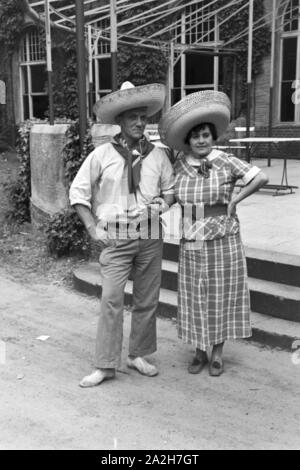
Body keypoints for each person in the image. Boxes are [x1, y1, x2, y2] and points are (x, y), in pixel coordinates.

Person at [70, 82, 175, 387]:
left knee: (147, 299)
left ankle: (138, 354)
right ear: (119, 121)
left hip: (150, 236)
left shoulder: (158, 156)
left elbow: (170, 192)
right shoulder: (101, 155)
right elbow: (78, 193)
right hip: (115, 238)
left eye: (143, 117)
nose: (140, 123)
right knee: (111, 300)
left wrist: (161, 205)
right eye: (133, 117)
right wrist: (92, 227)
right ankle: (105, 365)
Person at [158, 90, 268, 377]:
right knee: (195, 294)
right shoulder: (178, 164)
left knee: (221, 292)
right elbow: (169, 195)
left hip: (224, 236)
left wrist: (235, 199)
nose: (201, 140)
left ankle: (217, 352)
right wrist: (159, 204)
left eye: (206, 135)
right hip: (192, 234)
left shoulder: (226, 160)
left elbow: (260, 177)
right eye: (196, 136)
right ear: (188, 140)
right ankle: (198, 351)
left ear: (213, 136)